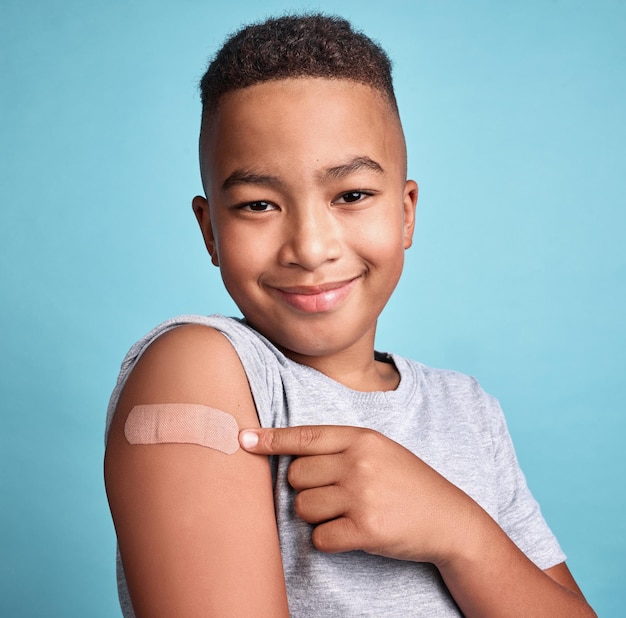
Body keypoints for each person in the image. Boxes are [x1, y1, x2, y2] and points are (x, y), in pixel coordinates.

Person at [104, 14, 595, 617]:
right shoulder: (198, 370)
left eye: (352, 196)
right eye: (258, 204)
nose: (310, 247)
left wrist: (459, 533)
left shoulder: (469, 410)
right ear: (210, 231)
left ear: (407, 211)